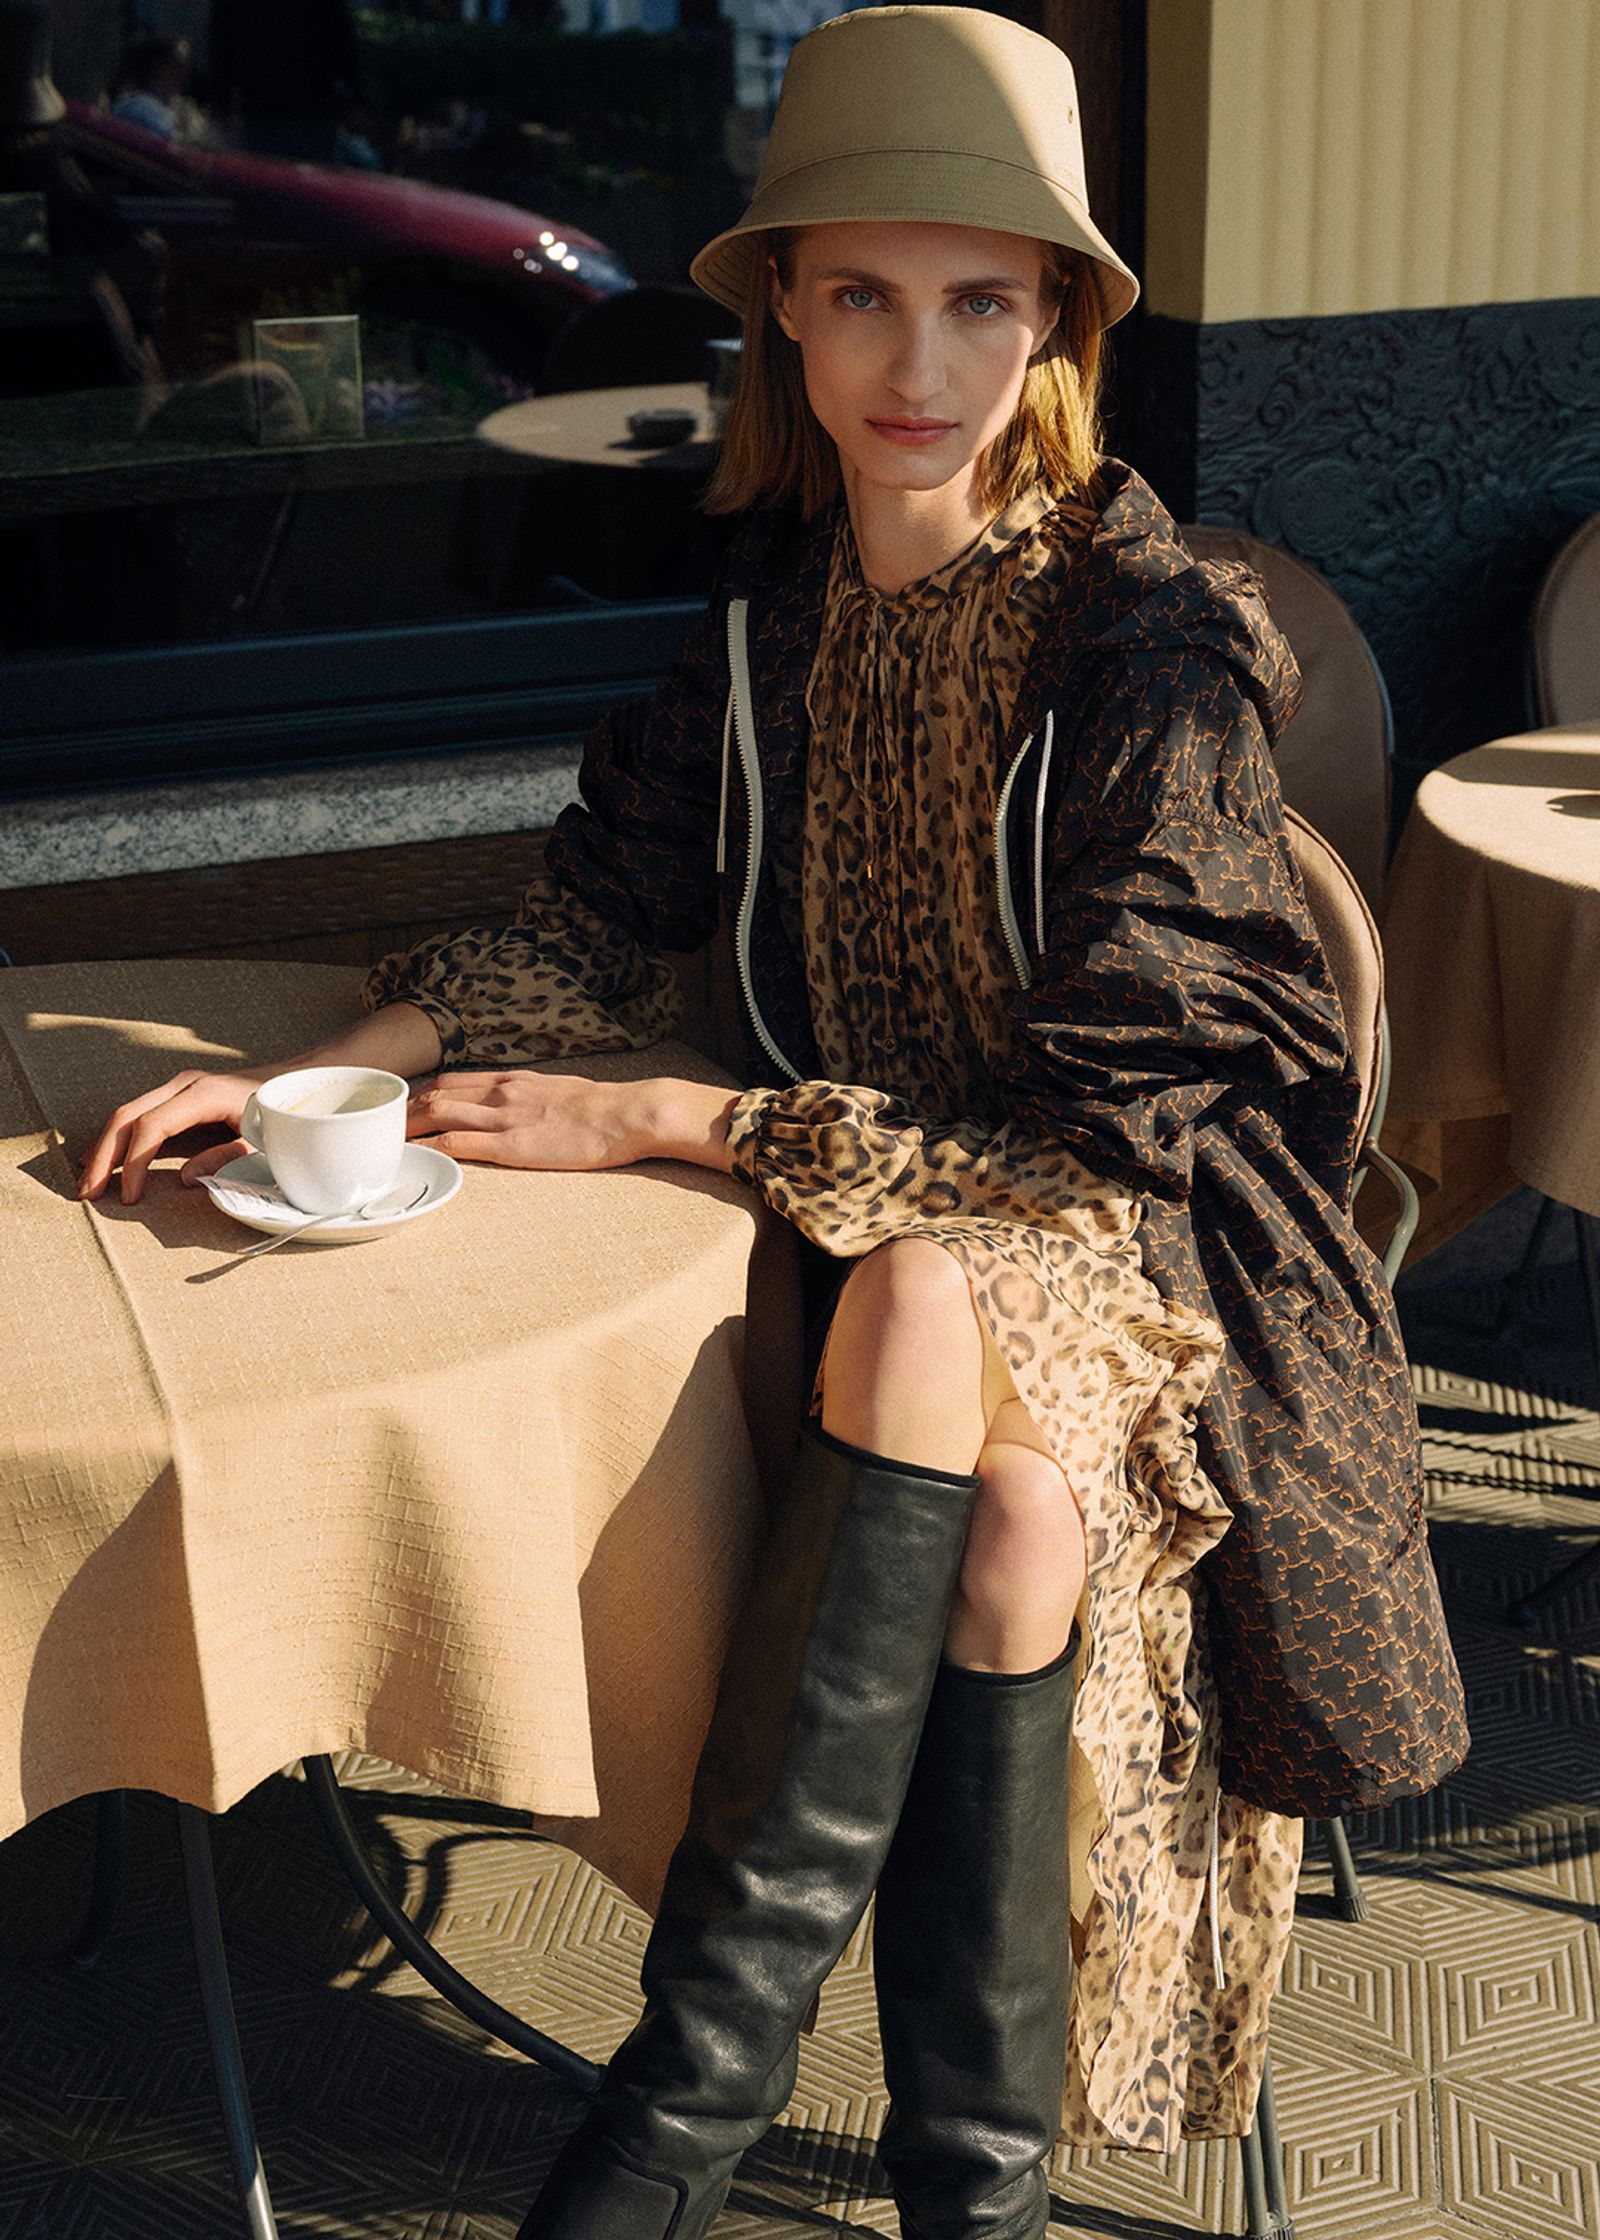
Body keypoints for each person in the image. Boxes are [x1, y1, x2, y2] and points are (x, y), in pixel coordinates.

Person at [78, 13, 1468, 2238]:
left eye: (979, 298)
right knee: (995, 1532)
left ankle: (669, 2122)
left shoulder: (1140, 648)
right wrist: (329, 1073)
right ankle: (956, 2191)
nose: (918, 360)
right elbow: (596, 899)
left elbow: (1113, 1127)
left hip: (1131, 1256)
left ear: (1052, 329)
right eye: (860, 294)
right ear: (785, 321)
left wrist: (686, 1118)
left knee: (928, 1306)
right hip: (882, 1251)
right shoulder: (777, 638)